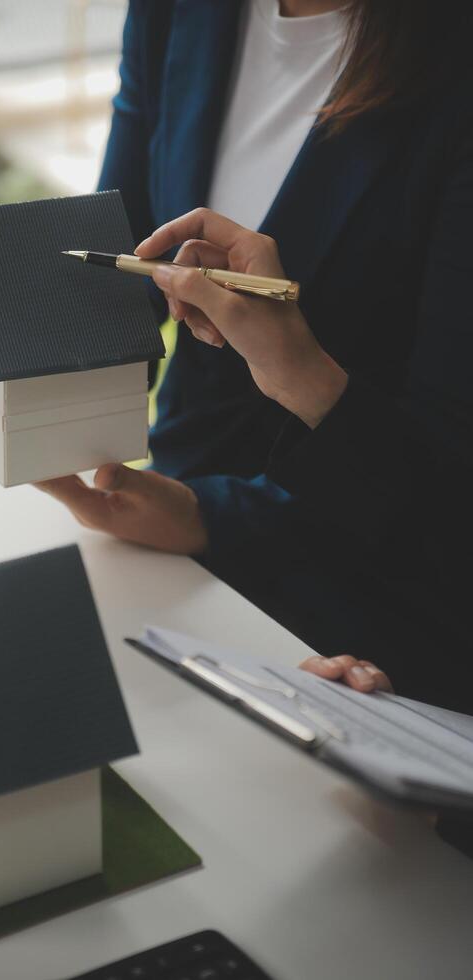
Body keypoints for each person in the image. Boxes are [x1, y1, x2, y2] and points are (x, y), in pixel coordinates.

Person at [39, 0, 473, 712]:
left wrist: (298, 370)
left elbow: (447, 474)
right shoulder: (176, 12)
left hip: (370, 576)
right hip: (170, 503)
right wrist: (50, 412)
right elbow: (123, 254)